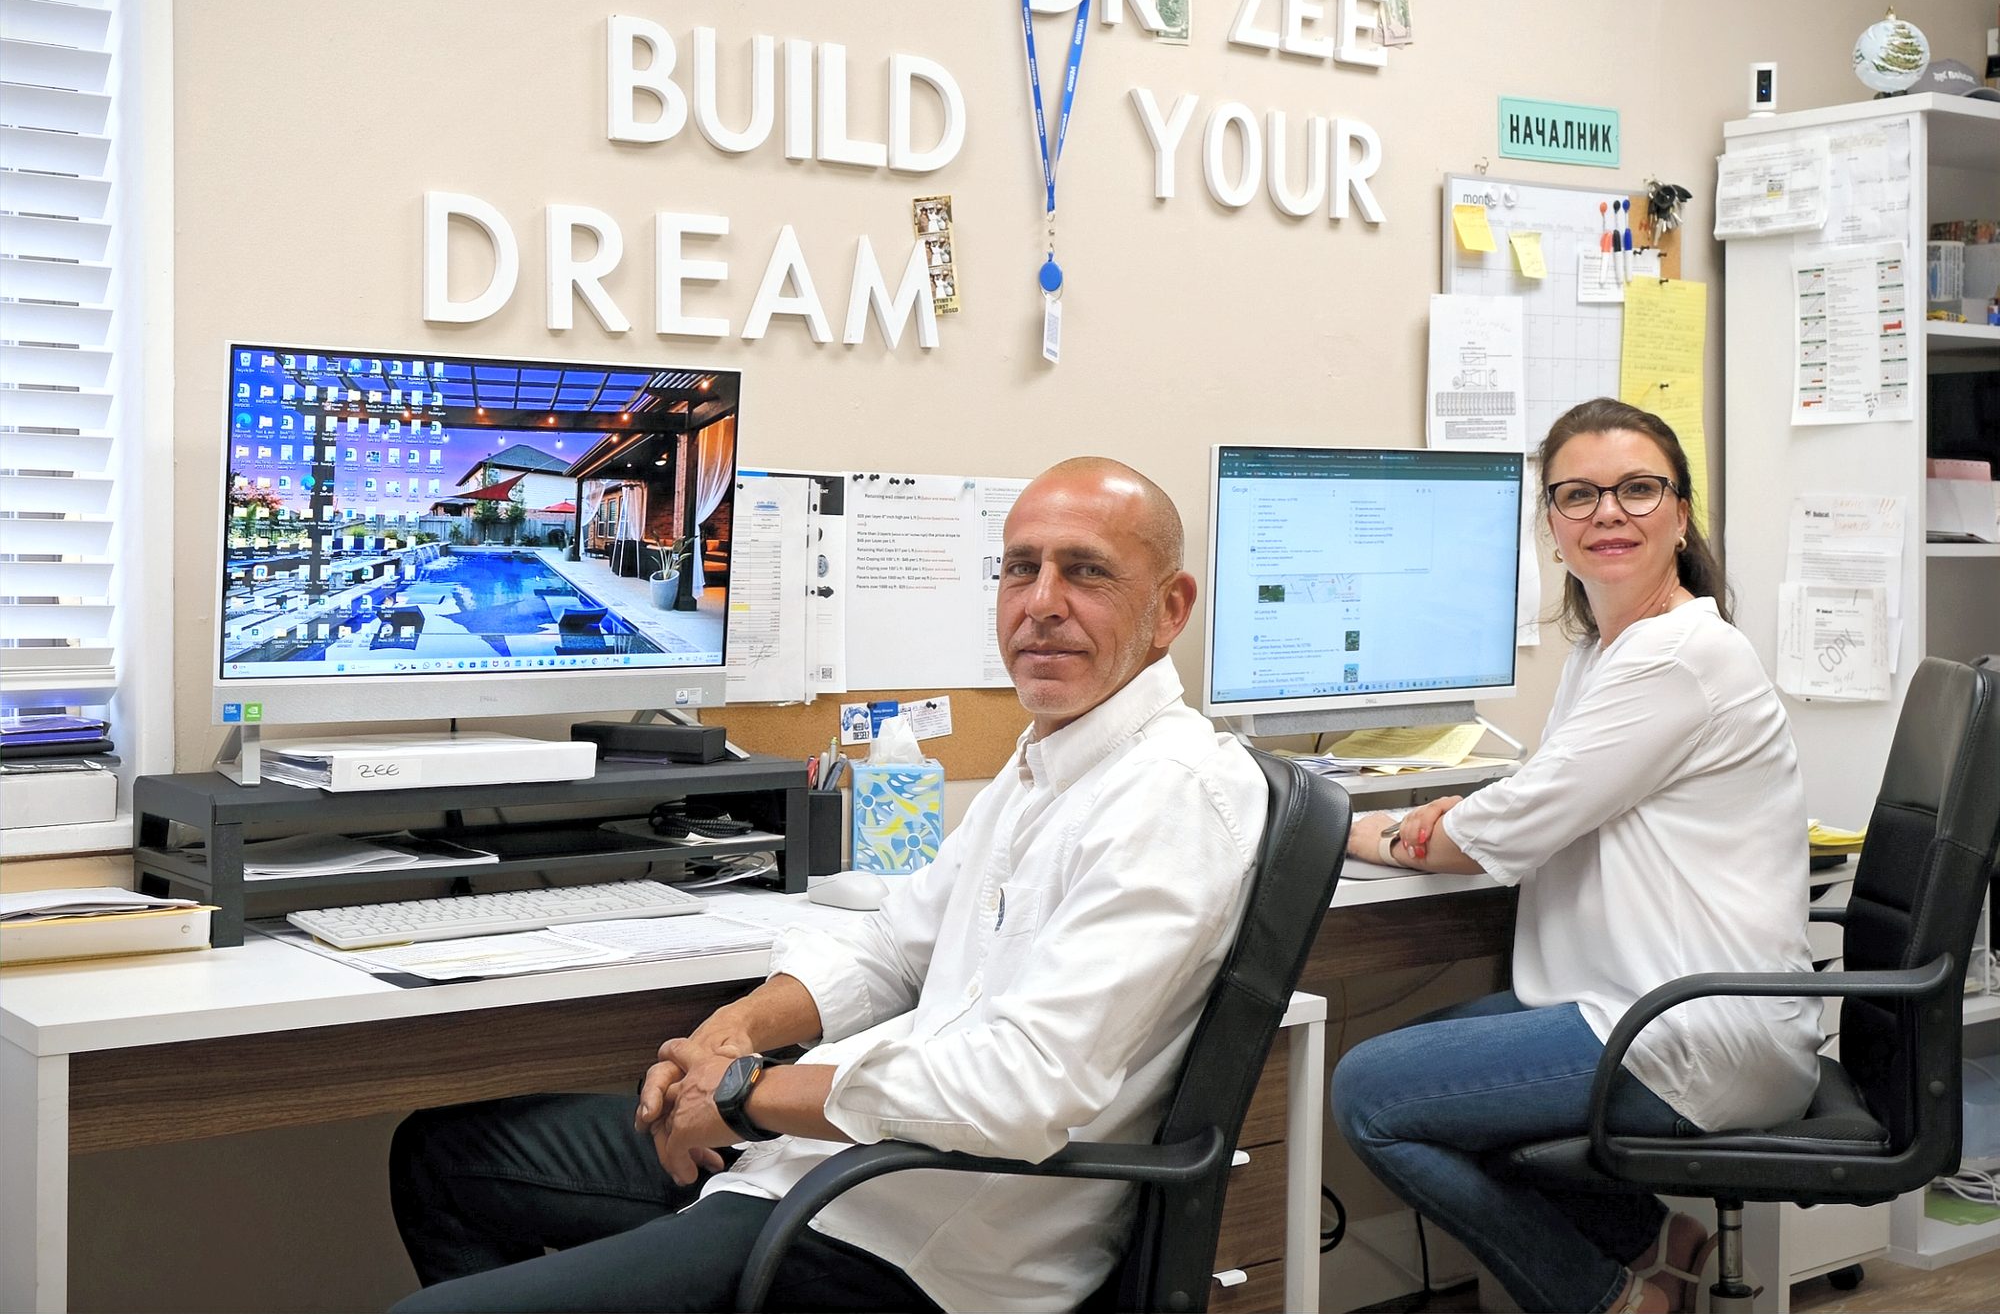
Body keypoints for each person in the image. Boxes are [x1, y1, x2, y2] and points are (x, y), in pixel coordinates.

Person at [388, 457, 1268, 1313]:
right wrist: (727, 1036)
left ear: (1169, 608)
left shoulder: (1170, 796)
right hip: (819, 1169)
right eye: (1020, 570)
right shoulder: (1053, 758)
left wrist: (742, 1097)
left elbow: (1018, 1089)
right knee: (441, 1156)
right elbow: (892, 945)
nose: (1041, 604)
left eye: (1087, 574)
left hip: (915, 1243)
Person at [1330, 398, 1820, 1314]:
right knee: (1412, 1056)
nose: (1608, 513)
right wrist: (1468, 813)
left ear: (1679, 513)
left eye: (1638, 489)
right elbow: (1542, 800)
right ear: (1549, 525)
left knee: (1370, 1093)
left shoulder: (1675, 658)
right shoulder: (1610, 651)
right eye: (1579, 495)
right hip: (1635, 1003)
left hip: (1688, 1030)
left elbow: (1502, 836)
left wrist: (1348, 826)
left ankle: (1606, 1297)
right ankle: (1651, 1239)